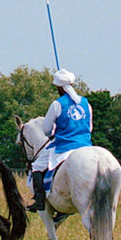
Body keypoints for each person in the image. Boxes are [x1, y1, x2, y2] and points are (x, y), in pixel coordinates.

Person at [26, 69, 93, 211]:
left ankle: (39, 201)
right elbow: (90, 127)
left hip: (65, 146)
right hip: (86, 145)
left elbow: (46, 130)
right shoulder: (86, 103)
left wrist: (54, 131)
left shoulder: (57, 104)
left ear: (58, 87)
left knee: (37, 166)